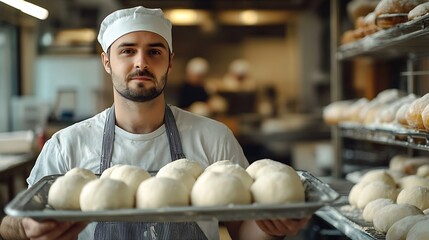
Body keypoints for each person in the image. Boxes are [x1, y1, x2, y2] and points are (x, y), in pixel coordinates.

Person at [0, 6, 310, 240]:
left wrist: (274, 227)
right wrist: (26, 229)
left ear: (170, 61)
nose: (141, 62)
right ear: (107, 61)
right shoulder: (68, 145)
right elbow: (9, 223)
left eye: (154, 51)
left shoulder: (213, 138)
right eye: (127, 51)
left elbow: (243, 229)